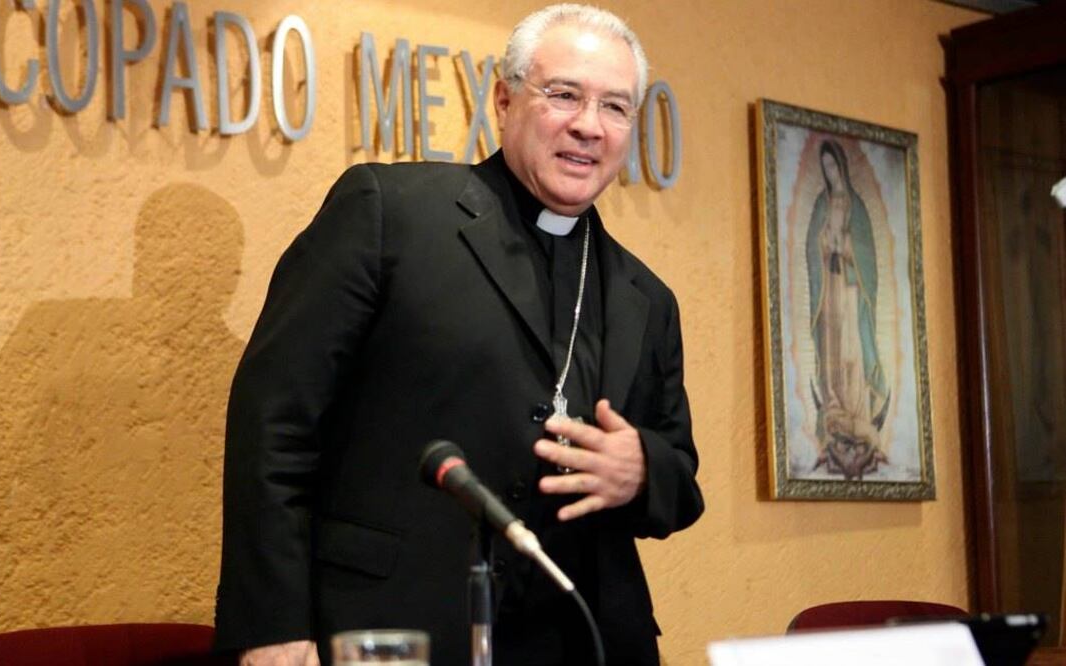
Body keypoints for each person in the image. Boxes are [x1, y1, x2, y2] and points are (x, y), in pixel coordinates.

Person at [214, 5, 704, 665]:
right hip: (396, 630)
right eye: (563, 95)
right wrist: (270, 625)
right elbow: (274, 424)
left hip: (580, 640)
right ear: (504, 98)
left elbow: (680, 478)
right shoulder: (390, 215)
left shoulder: (645, 298)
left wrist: (641, 470)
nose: (589, 126)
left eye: (615, 108)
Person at [805, 139, 889, 480]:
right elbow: (813, 247)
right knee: (832, 351)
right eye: (824, 168)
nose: (829, 172)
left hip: (852, 287)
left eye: (833, 166)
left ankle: (857, 412)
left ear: (841, 166)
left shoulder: (856, 206)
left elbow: (868, 256)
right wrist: (825, 244)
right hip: (830, 285)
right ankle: (835, 409)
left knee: (852, 350)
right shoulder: (821, 206)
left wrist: (849, 246)